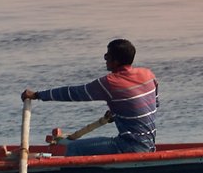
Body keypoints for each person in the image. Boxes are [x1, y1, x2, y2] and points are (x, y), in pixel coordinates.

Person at [21, 38, 158, 157]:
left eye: (107, 56)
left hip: (129, 146)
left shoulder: (110, 82)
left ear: (115, 61)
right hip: (149, 145)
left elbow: (73, 93)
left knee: (74, 148)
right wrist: (119, 112)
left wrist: (37, 95)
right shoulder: (148, 74)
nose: (105, 59)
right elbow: (152, 104)